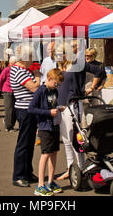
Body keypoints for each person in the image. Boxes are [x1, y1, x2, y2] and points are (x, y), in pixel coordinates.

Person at [55, 42, 102, 181]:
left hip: (73, 105)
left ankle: (81, 167)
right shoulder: (59, 66)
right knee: (65, 139)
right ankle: (70, 168)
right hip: (60, 106)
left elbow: (99, 71)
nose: (57, 56)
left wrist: (90, 87)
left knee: (75, 138)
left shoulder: (76, 63)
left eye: (59, 53)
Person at [29, 68, 66, 196]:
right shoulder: (41, 91)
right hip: (45, 127)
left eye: (59, 85)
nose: (57, 86)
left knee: (54, 153)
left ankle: (51, 181)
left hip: (55, 125)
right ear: (49, 79)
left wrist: (58, 108)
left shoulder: (54, 91)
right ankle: (40, 185)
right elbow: (31, 108)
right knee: (45, 154)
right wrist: (48, 113)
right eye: (56, 83)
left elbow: (52, 105)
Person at [11, 44, 40, 187]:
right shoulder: (19, 71)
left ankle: (27, 172)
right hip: (25, 110)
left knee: (29, 143)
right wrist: (37, 75)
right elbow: (35, 88)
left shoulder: (22, 69)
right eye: (30, 56)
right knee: (24, 143)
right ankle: (18, 175)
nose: (32, 59)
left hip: (29, 109)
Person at [0, 56, 17, 131]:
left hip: (15, 91)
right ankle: (8, 126)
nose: (12, 65)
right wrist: (1, 89)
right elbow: (0, 80)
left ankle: (10, 123)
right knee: (9, 109)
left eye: (14, 63)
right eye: (11, 63)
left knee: (15, 109)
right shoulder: (6, 70)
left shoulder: (17, 70)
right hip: (7, 91)